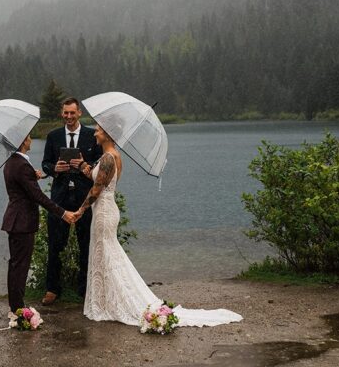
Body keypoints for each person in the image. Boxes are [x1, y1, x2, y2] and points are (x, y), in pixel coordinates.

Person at [73, 125, 243, 328]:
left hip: (104, 211)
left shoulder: (109, 158)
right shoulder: (110, 156)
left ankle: (118, 301)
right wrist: (82, 164)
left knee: (107, 253)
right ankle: (105, 301)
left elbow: (97, 188)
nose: (94, 133)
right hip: (104, 210)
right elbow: (95, 175)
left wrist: (80, 210)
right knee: (105, 254)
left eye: (98, 130)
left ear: (108, 135)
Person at [1, 133, 76, 317]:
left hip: (15, 220)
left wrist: (34, 177)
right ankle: (18, 310)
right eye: (27, 136)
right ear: (22, 141)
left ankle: (15, 306)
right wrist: (63, 213)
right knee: (20, 266)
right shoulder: (21, 165)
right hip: (22, 222)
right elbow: (39, 197)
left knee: (15, 265)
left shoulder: (12, 162)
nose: (30, 139)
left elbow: (23, 187)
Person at [40, 97, 103, 305]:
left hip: (85, 199)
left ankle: (84, 289)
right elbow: (45, 164)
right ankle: (52, 289)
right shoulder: (53, 136)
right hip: (59, 198)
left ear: (79, 113)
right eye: (65, 113)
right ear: (62, 113)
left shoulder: (91, 135)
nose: (68, 116)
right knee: (55, 245)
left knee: (87, 244)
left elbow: (100, 164)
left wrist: (85, 164)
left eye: (72, 113)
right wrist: (54, 169)